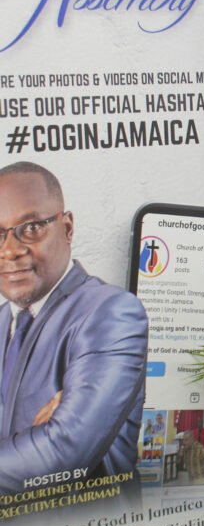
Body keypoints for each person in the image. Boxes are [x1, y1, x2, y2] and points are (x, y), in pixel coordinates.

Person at [0, 161, 148, 496]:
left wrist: (48, 440)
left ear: (67, 227)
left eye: (33, 227)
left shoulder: (110, 312)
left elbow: (63, 454)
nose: (10, 249)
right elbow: (37, 454)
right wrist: (33, 439)